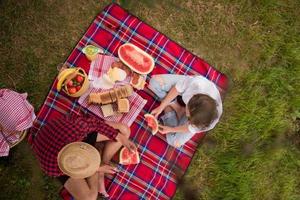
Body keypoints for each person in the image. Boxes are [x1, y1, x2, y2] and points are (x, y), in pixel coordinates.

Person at [29, 114, 136, 200]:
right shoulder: (53, 168)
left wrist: (120, 137)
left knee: (124, 130)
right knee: (90, 198)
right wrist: (95, 168)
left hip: (66, 135)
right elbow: (71, 170)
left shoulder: (78, 129)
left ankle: (103, 164)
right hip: (62, 160)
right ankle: (99, 168)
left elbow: (95, 123)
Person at [148, 74, 222, 148]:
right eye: (187, 112)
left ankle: (171, 108)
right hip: (188, 84)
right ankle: (172, 105)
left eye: (188, 118)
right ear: (192, 96)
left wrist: (171, 129)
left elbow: (189, 128)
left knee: (173, 142)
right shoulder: (196, 84)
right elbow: (177, 88)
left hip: (195, 117)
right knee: (154, 83)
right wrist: (162, 106)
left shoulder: (205, 124)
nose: (187, 115)